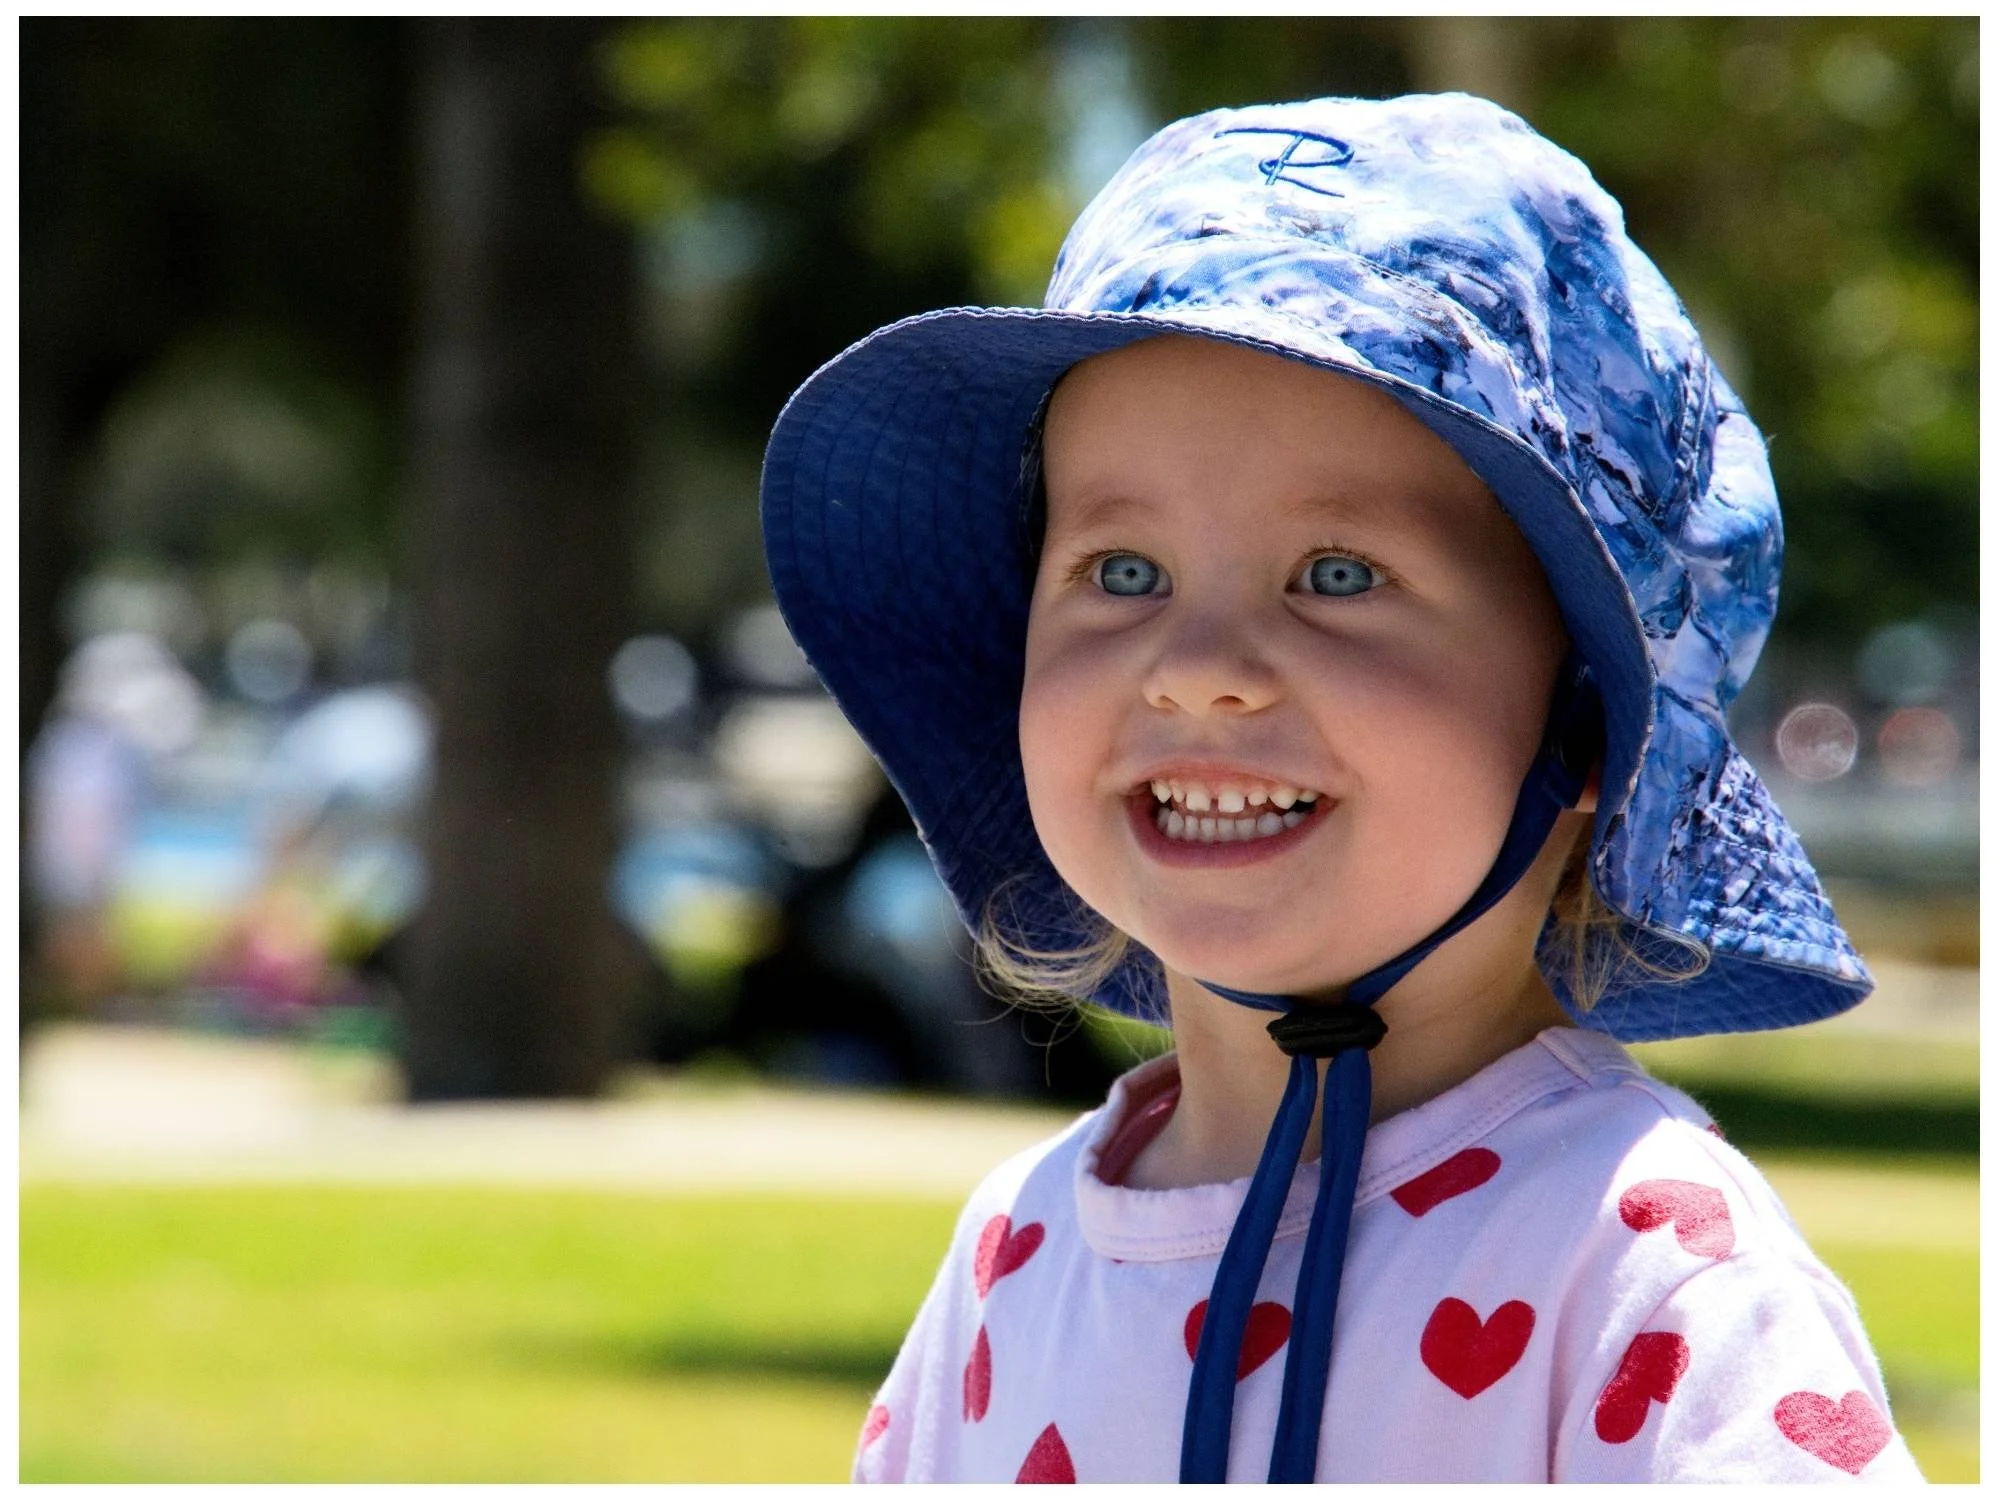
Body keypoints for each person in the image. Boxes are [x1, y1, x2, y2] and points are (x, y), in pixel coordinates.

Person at [760, 94, 1922, 1482]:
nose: (1196, 673)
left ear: (1586, 724)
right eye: (1122, 573)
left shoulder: (1653, 1278)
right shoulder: (1017, 1254)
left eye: (1338, 576)